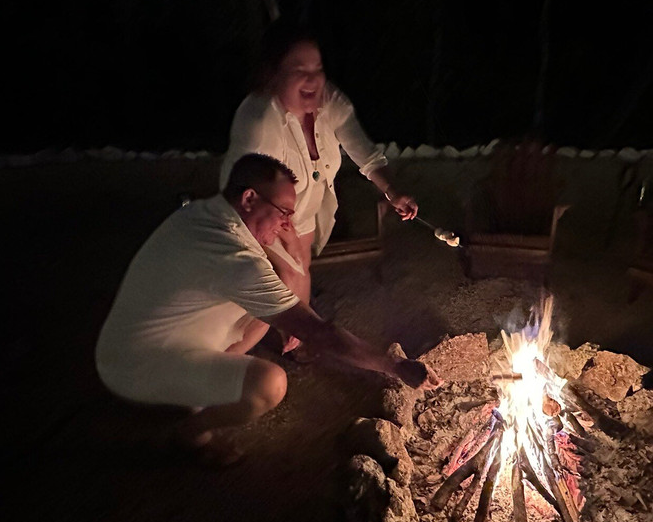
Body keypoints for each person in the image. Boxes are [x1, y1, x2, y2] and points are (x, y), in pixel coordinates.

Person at [96, 153, 439, 464]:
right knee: (269, 383)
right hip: (135, 367)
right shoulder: (235, 257)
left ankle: (201, 383)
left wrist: (288, 296)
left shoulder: (209, 213)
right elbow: (321, 334)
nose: (288, 224)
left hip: (133, 342)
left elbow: (282, 278)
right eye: (284, 213)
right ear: (248, 199)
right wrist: (394, 366)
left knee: (280, 294)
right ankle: (191, 433)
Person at [219, 23, 420, 352]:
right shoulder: (259, 119)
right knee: (284, 282)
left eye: (318, 68)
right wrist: (287, 249)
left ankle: (297, 341)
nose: (313, 79)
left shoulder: (330, 102)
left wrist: (392, 191)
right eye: (300, 70)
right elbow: (246, 189)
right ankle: (223, 355)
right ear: (274, 74)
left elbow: (365, 154)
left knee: (301, 271)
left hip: (305, 210)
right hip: (257, 215)